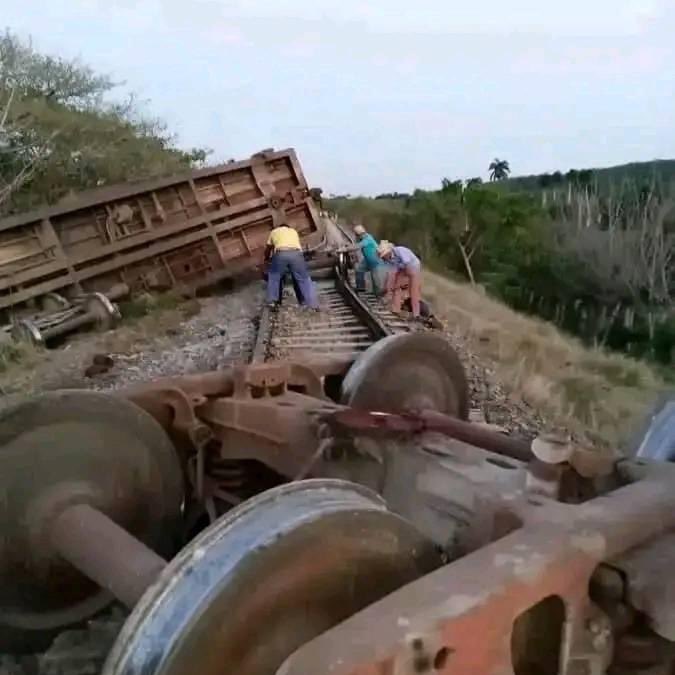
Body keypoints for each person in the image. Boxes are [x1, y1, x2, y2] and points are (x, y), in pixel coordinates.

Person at [263, 221, 319, 310]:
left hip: (281, 254)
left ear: (279, 227)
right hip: (296, 254)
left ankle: (272, 302)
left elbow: (268, 248)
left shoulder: (274, 232)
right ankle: (313, 305)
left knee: (274, 277)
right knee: (304, 279)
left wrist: (266, 258)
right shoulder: (293, 231)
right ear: (288, 227)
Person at [377, 240, 423, 318]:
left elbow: (407, 263)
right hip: (402, 269)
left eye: (384, 255)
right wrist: (388, 287)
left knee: (413, 291)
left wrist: (402, 283)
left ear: (388, 251)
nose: (384, 257)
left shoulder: (400, 250)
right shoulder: (389, 260)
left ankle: (416, 314)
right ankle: (395, 310)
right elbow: (392, 273)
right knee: (396, 288)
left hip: (413, 267)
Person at [339, 224, 385, 294]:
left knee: (375, 280)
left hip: (375, 261)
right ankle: (361, 287)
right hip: (367, 261)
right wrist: (349, 246)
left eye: (357, 235)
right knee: (359, 269)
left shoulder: (368, 239)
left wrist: (346, 249)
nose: (357, 236)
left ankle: (378, 294)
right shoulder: (363, 238)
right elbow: (356, 245)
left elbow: (358, 246)